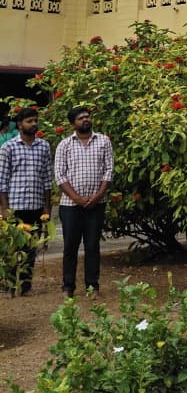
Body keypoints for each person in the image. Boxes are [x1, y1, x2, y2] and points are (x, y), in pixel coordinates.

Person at [54, 106, 114, 297]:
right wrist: (77, 198)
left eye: (87, 116)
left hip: (96, 204)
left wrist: (98, 196)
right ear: (73, 124)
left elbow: (108, 170)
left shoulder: (103, 141)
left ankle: (92, 286)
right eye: (80, 118)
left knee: (92, 246)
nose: (85, 119)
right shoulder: (64, 145)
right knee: (70, 247)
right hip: (70, 206)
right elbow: (60, 175)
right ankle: (68, 287)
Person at [0, 106, 52, 296]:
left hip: (36, 206)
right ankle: (9, 285)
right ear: (20, 125)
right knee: (13, 248)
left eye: (35, 120)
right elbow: (2, 180)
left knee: (31, 248)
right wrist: (4, 208)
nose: (34, 124)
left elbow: (47, 179)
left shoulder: (44, 146)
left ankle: (26, 286)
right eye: (29, 121)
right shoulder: (8, 147)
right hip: (15, 207)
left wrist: (47, 207)